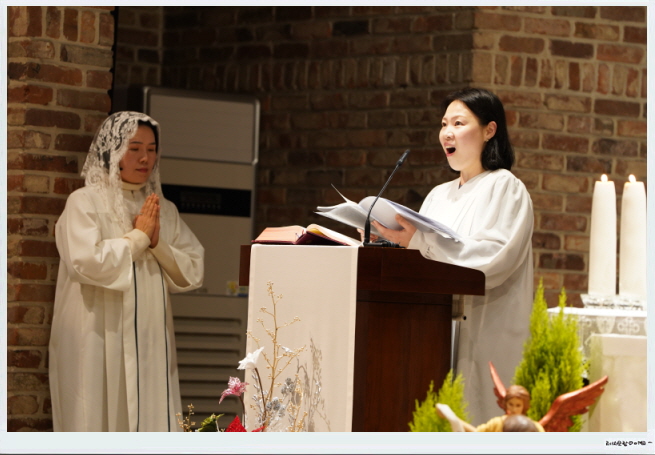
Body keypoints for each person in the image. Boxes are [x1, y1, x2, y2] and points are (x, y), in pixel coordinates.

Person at [373, 88, 534, 424]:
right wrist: (397, 246)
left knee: (481, 421)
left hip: (485, 333)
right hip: (432, 336)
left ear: (489, 130)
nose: (447, 132)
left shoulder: (505, 187)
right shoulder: (438, 196)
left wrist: (420, 243)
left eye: (459, 123)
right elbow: (424, 257)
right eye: (444, 124)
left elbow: (493, 259)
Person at [48, 111, 205, 431]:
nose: (145, 158)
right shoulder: (85, 202)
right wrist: (138, 239)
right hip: (97, 331)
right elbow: (85, 262)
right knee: (96, 415)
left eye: (151, 149)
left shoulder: (163, 209)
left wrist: (157, 243)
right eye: (134, 149)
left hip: (149, 336)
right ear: (112, 151)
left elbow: (194, 270)